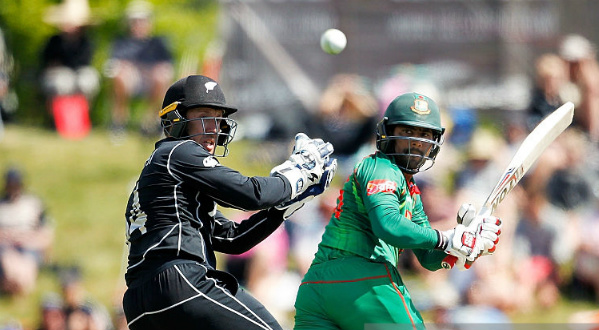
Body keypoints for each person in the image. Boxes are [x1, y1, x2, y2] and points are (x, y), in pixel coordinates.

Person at [121, 74, 337, 330]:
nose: (213, 127)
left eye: (217, 118)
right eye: (203, 116)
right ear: (176, 119)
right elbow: (250, 194)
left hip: (139, 304)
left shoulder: (167, 175)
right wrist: (296, 175)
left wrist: (284, 207)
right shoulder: (178, 151)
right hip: (180, 281)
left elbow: (232, 239)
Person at [293, 92, 502, 330]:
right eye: (407, 132)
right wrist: (446, 238)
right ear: (388, 133)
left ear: (435, 141)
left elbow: (428, 259)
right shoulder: (381, 167)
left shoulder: (410, 193)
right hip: (362, 276)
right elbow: (387, 224)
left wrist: (463, 246)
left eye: (424, 135)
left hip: (316, 287)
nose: (415, 142)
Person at [104, 0, 174, 137]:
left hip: (152, 81)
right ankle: (119, 122)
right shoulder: (121, 43)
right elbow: (113, 66)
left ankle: (152, 121)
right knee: (119, 77)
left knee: (161, 77)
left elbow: (167, 67)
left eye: (143, 20)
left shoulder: (158, 43)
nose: (139, 24)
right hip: (131, 81)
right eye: (136, 21)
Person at [0, 167, 54, 296]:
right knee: (8, 259)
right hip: (5, 248)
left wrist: (28, 239)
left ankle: (18, 283)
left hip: (29, 247)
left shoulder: (33, 204)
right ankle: (14, 283)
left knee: (25, 261)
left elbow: (46, 233)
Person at [40, 0, 100, 104]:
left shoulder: (86, 42)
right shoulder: (54, 41)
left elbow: (85, 62)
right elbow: (47, 61)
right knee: (62, 81)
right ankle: (59, 115)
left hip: (77, 75)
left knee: (87, 79)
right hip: (57, 76)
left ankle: (81, 113)